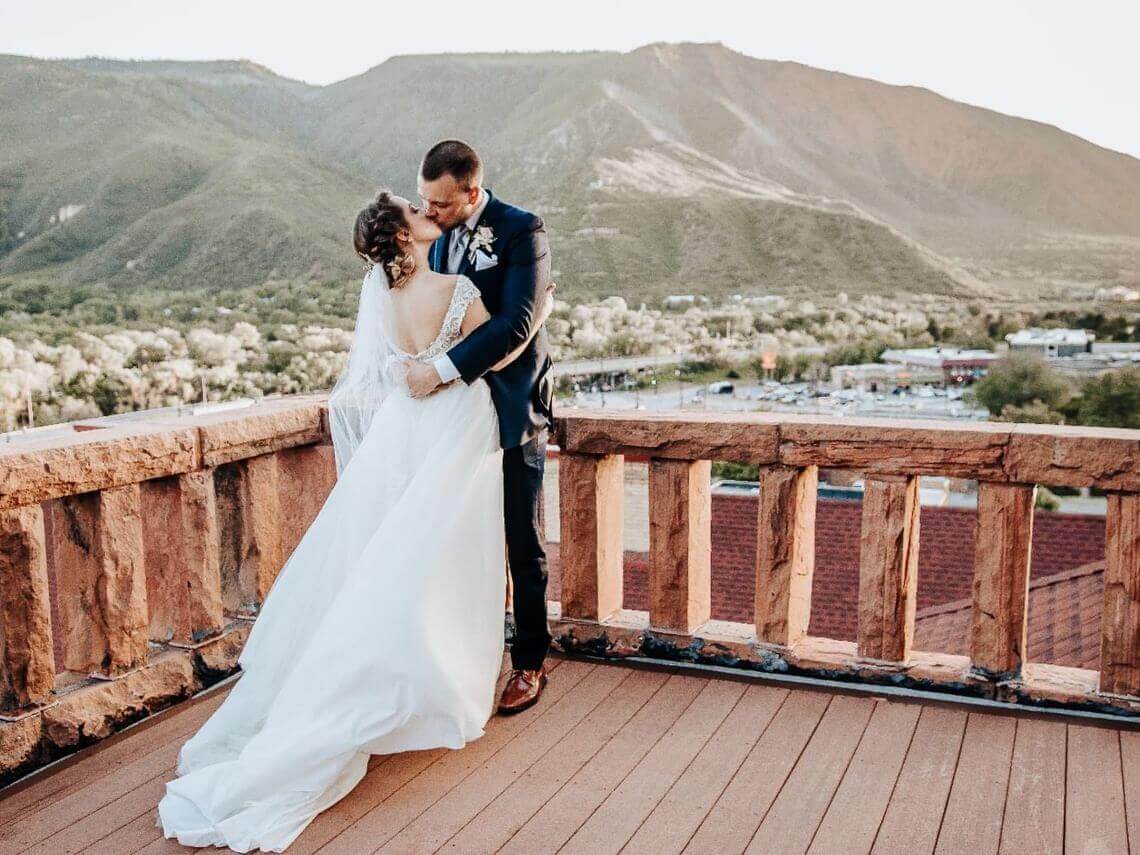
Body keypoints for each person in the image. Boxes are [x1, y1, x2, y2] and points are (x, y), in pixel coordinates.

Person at [155, 184, 555, 852]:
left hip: (407, 429)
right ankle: (429, 681)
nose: (427, 212)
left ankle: (389, 675)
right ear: (402, 237)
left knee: (393, 560)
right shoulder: (453, 285)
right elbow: (503, 344)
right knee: (447, 560)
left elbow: (409, 365)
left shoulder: (389, 297)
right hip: (455, 429)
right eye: (414, 209)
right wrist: (542, 307)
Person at [404, 140, 556, 714]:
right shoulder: (435, 239)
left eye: (441, 204)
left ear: (472, 192)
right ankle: (459, 656)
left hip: (513, 411)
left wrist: (441, 370)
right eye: (424, 202)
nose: (431, 214)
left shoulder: (522, 231)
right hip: (453, 418)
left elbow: (518, 322)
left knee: (523, 539)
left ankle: (530, 662)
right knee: (454, 539)